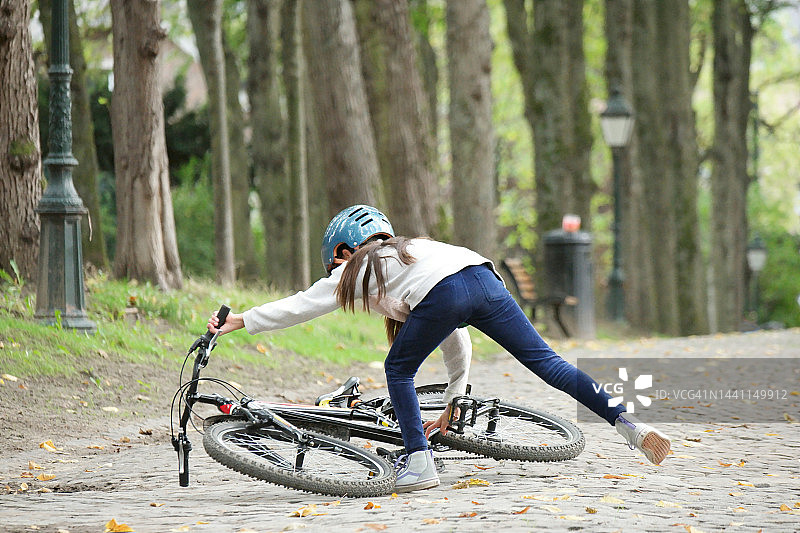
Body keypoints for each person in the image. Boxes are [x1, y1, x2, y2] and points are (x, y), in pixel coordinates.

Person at [207, 205, 671, 493]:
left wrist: (240, 320)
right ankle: (629, 425)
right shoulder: (417, 251)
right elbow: (457, 340)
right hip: (485, 277)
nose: (336, 274)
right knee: (548, 363)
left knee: (397, 370)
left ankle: (418, 464)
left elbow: (300, 305)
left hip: (449, 291)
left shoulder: (361, 265)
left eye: (335, 263)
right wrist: (453, 399)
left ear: (345, 251)